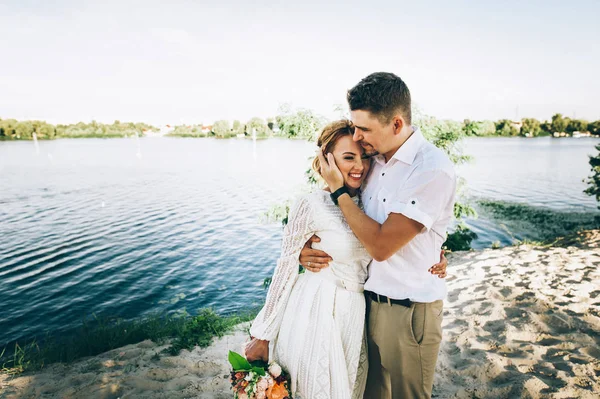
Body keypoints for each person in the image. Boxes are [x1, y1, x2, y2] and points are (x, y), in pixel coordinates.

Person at [245, 120, 447, 399]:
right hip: (317, 308)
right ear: (326, 160)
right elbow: (285, 266)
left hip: (355, 313)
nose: (359, 167)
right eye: (348, 157)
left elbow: (396, 234)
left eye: (364, 157)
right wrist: (263, 334)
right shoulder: (311, 203)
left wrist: (434, 251)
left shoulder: (367, 202)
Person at [301, 72, 456, 399]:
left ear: (397, 124)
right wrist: (306, 247)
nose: (356, 136)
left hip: (409, 311)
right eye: (355, 127)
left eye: (364, 128)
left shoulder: (429, 168)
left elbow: (382, 245)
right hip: (365, 305)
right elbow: (349, 222)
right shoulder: (373, 160)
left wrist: (338, 190)